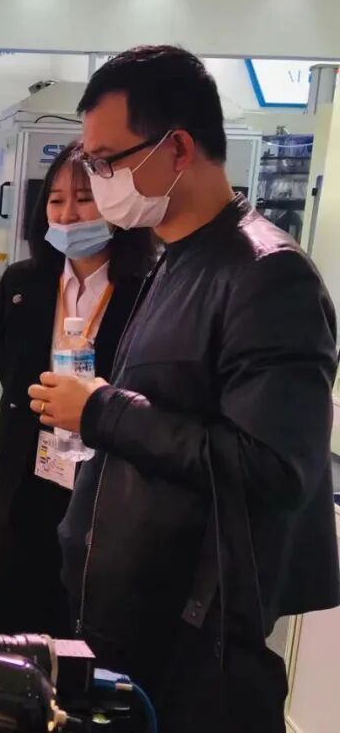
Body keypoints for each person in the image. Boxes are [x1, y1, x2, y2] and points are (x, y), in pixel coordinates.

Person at [28, 46, 339, 732]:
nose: (98, 181)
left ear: (177, 149)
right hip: (130, 616)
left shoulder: (267, 275)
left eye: (107, 162)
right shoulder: (177, 258)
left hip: (194, 640)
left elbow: (274, 467)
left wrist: (101, 409)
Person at [0, 142, 155, 640]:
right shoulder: (22, 282)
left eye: (84, 199)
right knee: (20, 621)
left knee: (90, 627)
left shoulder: (149, 289)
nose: (68, 215)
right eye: (56, 201)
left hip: (106, 482)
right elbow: (9, 368)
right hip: (24, 473)